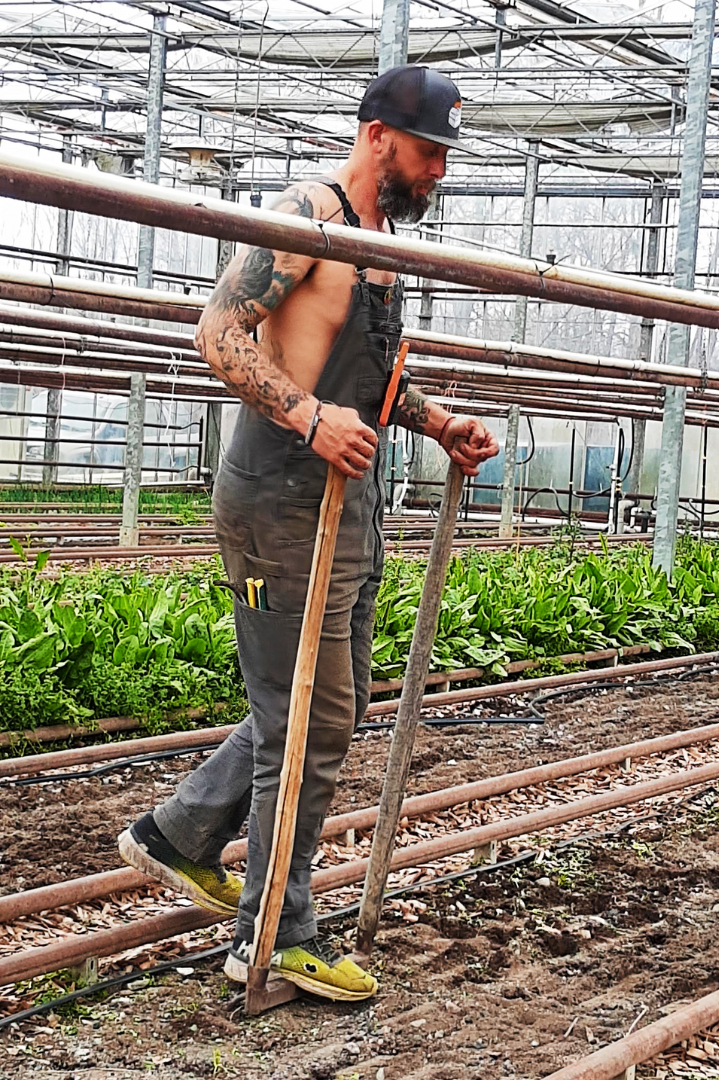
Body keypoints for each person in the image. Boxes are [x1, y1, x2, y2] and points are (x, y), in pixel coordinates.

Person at [117, 65, 499, 1002]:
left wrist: (438, 421)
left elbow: (366, 384)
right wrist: (304, 414)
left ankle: (177, 832)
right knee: (308, 724)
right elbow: (219, 332)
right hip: (283, 492)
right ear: (377, 135)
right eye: (427, 152)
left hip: (346, 492)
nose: (437, 173)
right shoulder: (306, 217)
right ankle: (276, 935)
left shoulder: (377, 244)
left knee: (333, 705)